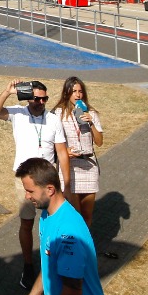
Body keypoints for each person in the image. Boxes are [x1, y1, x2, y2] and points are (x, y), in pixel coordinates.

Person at [17, 158, 108, 295]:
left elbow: (72, 294)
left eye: (30, 191)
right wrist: (35, 292)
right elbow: (50, 260)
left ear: (49, 189)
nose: (27, 196)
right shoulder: (47, 215)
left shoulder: (69, 234)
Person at [0, 81, 70, 289]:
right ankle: (28, 265)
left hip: (48, 179)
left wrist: (66, 183)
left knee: (53, 223)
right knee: (26, 223)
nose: (41, 102)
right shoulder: (19, 113)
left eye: (44, 99)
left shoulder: (53, 119)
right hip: (24, 180)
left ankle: (53, 262)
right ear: (28, 98)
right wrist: (7, 91)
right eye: (37, 98)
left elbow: (62, 152)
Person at [53, 77, 101, 230]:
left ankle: (86, 242)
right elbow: (52, 141)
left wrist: (91, 123)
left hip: (89, 167)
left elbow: (99, 141)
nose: (78, 95)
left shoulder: (91, 113)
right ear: (66, 93)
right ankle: (74, 242)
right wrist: (64, 151)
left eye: (80, 91)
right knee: (74, 215)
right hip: (69, 168)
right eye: (74, 91)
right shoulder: (58, 114)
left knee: (87, 215)